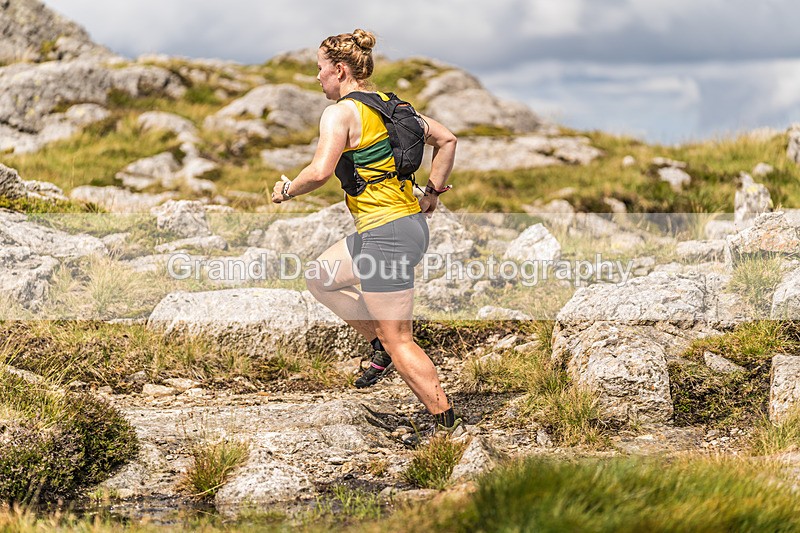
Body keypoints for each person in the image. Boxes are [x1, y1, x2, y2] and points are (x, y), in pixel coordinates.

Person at [270, 29, 462, 441]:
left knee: (401, 340)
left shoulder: (340, 113)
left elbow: (320, 172)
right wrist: (432, 193)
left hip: (385, 235)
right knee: (320, 276)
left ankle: (448, 425)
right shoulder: (397, 108)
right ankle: (379, 342)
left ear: (339, 70)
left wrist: (286, 190)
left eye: (320, 69)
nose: (317, 77)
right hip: (407, 227)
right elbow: (447, 139)